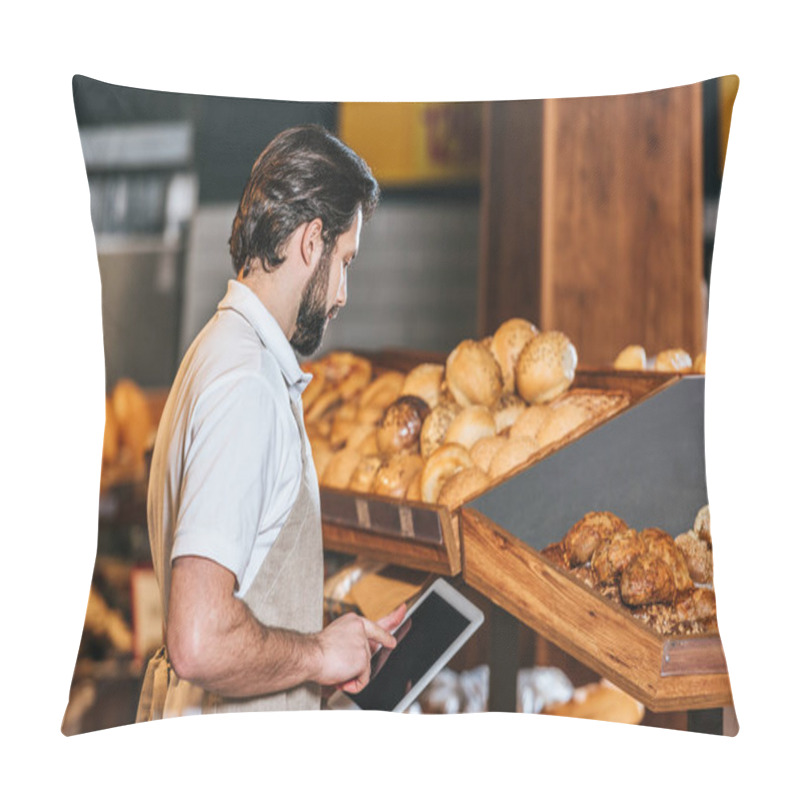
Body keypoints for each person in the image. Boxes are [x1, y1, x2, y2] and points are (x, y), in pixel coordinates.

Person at [136, 125, 404, 720]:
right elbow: (199, 639)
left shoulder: (217, 350)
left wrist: (328, 646)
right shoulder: (248, 383)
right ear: (312, 241)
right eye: (345, 261)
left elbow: (241, 591)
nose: (342, 293)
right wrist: (314, 654)